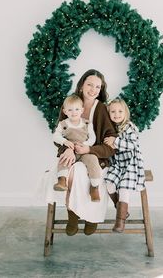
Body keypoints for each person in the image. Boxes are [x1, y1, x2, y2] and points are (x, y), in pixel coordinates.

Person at [55, 69, 117, 236]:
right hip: (73, 153)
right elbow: (60, 133)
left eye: (98, 86)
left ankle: (92, 217)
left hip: (95, 156)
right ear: (82, 85)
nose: (93, 89)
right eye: (90, 84)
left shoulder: (102, 109)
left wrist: (90, 149)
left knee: (90, 173)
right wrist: (67, 148)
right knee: (74, 170)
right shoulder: (70, 103)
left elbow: (110, 141)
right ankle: (73, 215)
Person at [104, 98, 145, 233]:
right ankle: (121, 209)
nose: (117, 114)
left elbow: (133, 145)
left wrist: (115, 141)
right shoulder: (111, 128)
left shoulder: (129, 127)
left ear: (125, 112)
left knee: (123, 188)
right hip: (117, 164)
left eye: (120, 111)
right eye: (113, 111)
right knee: (109, 184)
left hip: (130, 164)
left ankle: (120, 221)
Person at [53, 94, 102, 202]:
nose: (73, 112)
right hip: (70, 151)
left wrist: (84, 145)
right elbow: (56, 136)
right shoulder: (63, 124)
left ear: (82, 110)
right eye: (70, 110)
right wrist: (65, 141)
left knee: (93, 160)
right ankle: (62, 180)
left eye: (76, 109)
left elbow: (92, 138)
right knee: (64, 159)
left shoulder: (87, 123)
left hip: (84, 150)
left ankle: (94, 187)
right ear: (65, 111)